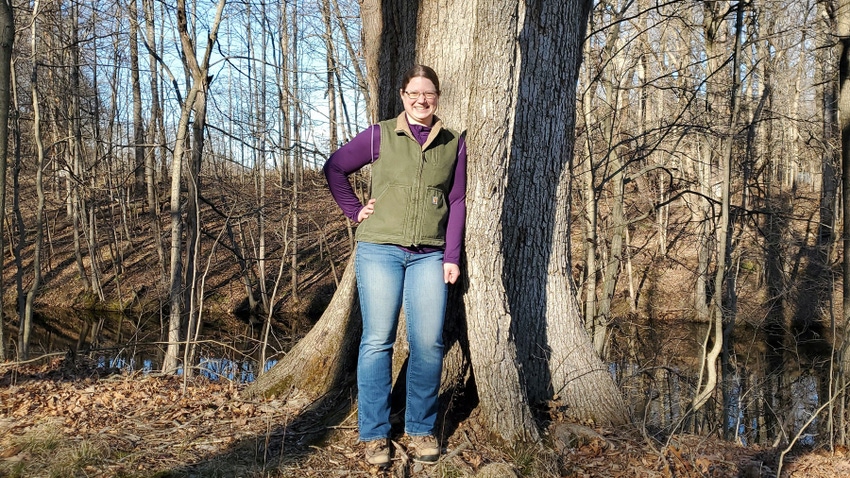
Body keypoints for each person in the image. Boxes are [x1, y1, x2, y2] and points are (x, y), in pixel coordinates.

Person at [323, 64, 467, 467]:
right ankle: (375, 434)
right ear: (403, 96)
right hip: (379, 249)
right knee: (377, 341)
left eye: (429, 94)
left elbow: (456, 201)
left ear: (438, 96)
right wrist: (354, 210)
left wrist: (452, 256)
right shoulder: (380, 134)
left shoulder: (453, 141)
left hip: (429, 255)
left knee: (428, 343)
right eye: (414, 93)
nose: (422, 100)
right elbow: (335, 167)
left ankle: (420, 428)